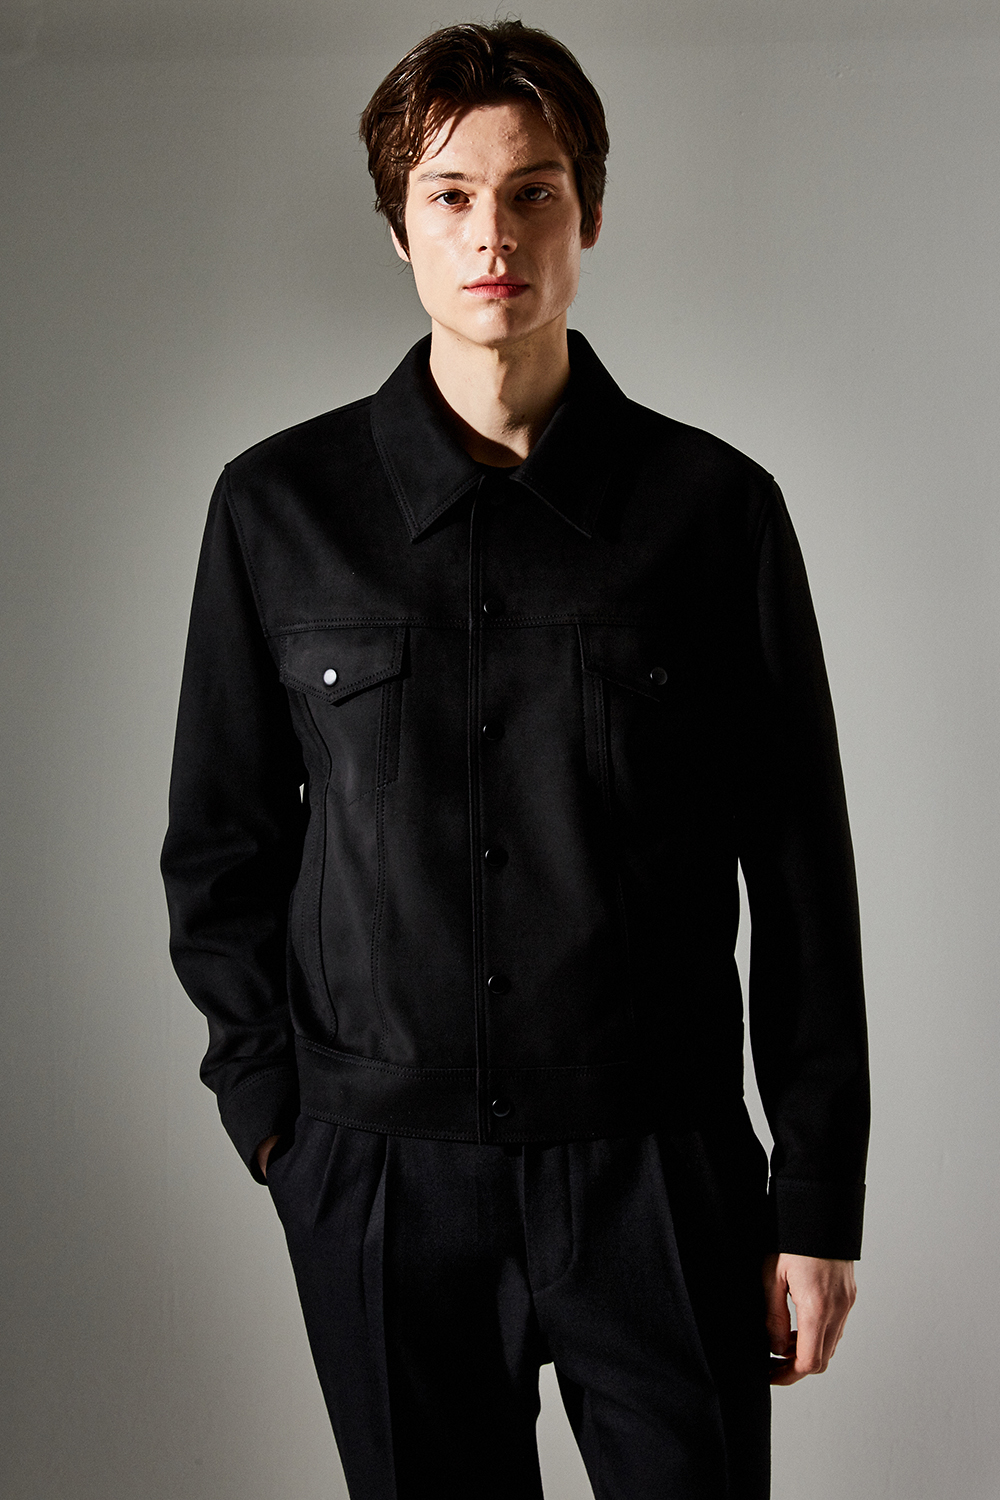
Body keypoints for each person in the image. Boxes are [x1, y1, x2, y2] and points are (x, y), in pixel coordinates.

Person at [161, 19, 869, 1500]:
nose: (495, 235)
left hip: (660, 1174)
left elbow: (804, 877)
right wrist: (278, 1125)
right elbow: (222, 845)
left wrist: (815, 1203)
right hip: (380, 1183)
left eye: (534, 191)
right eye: (452, 195)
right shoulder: (276, 511)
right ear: (400, 226)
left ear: (587, 214)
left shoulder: (717, 512)